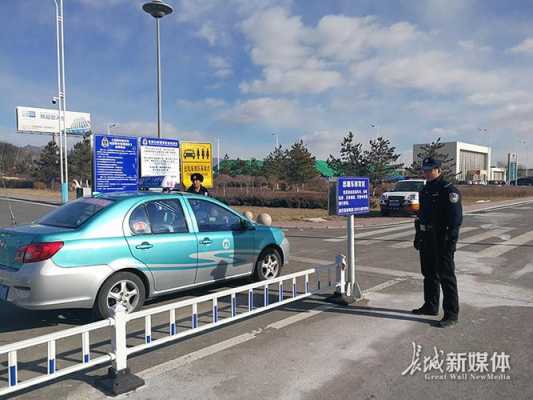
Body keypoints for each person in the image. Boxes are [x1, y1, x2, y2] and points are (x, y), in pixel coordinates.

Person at [413, 157, 462, 328]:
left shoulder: (449, 191)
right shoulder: (425, 190)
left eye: (429, 169)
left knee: (446, 276)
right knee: (429, 273)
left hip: (442, 238)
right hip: (427, 237)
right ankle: (430, 305)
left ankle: (451, 314)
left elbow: (455, 219)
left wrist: (451, 241)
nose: (425, 172)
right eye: (424, 170)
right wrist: (418, 234)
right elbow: (421, 216)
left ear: (438, 170)